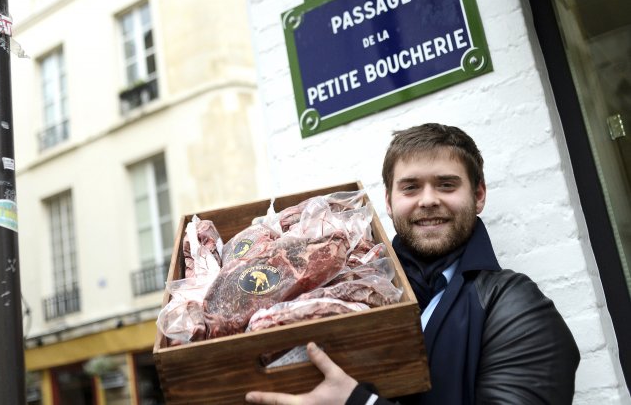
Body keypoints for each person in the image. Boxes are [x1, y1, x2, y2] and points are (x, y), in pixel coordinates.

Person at [246, 123, 580, 405]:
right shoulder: (342, 293)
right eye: (410, 187)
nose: (429, 199)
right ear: (389, 203)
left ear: (478, 196)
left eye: (447, 184)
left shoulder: (514, 305)